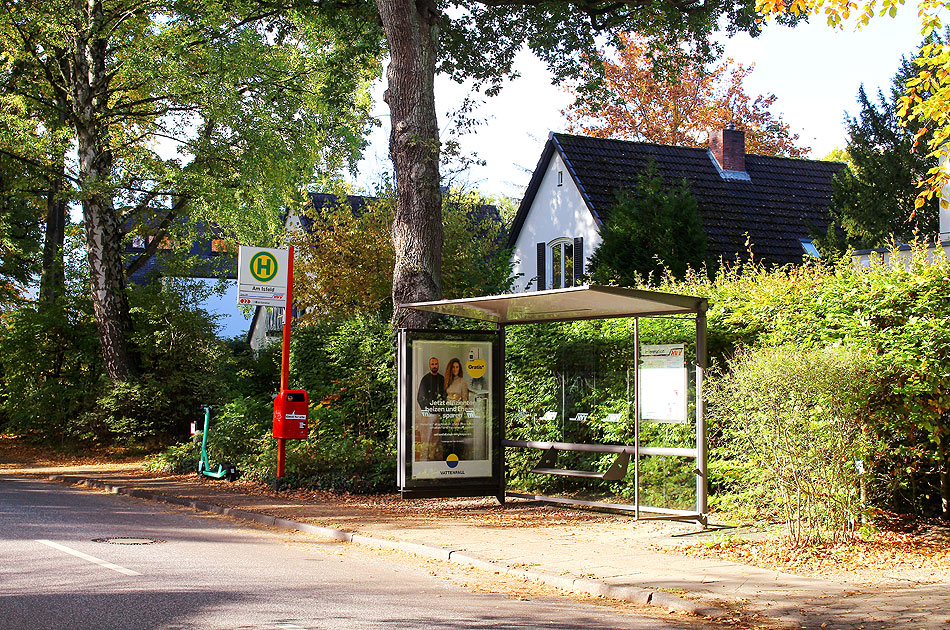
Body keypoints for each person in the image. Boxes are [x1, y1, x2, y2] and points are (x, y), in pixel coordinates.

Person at [415, 357, 445, 460]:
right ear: (429, 366)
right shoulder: (425, 379)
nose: (434, 366)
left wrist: (442, 409)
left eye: (436, 364)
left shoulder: (442, 379)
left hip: (438, 414)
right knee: (425, 440)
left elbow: (444, 395)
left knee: (435, 440)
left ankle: (431, 459)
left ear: (438, 365)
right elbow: (419, 397)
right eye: (432, 364)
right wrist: (426, 411)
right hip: (427, 415)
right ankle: (423, 461)